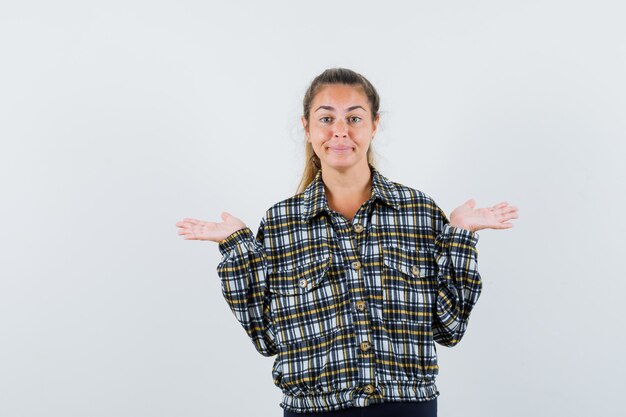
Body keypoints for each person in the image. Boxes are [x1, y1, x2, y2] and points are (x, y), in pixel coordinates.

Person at [175, 68, 519, 416]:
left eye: (354, 117)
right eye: (327, 118)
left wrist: (460, 233)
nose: (340, 130)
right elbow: (267, 338)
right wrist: (238, 248)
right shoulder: (281, 223)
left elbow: (449, 328)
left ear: (374, 125)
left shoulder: (418, 211)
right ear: (307, 128)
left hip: (407, 408)